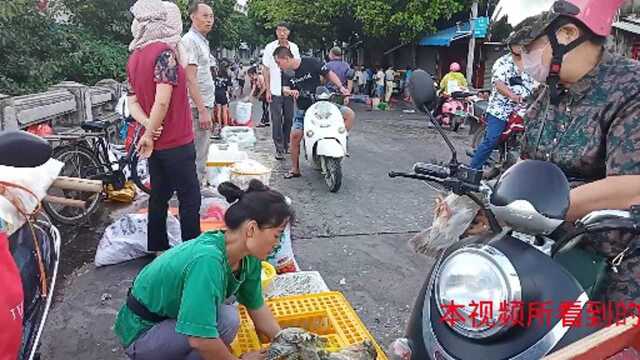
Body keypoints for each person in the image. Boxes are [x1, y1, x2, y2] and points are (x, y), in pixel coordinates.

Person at [510, 0, 640, 308]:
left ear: (567, 33)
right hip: (550, 250)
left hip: (617, 264)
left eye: (524, 52)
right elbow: (526, 163)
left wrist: (543, 206)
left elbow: (633, 185)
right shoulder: (549, 94)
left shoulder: (630, 88)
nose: (520, 65)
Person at [115, 180, 294, 360]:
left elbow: (257, 306)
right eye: (277, 235)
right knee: (220, 323)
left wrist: (287, 343)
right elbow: (200, 339)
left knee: (227, 318)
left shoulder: (248, 257)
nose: (278, 244)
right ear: (252, 229)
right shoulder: (207, 260)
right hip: (143, 333)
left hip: (171, 323)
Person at [126, 0, 201, 253]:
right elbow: (162, 99)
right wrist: (150, 131)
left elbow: (132, 102)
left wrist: (148, 128)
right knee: (190, 198)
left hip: (156, 145)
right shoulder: (165, 53)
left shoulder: (134, 57)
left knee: (159, 196)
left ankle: (157, 248)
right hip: (177, 142)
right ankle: (192, 253)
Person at [272, 47, 350, 179]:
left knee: (349, 115)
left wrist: (341, 87)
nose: (278, 66)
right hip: (303, 109)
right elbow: (285, 89)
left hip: (322, 105)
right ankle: (295, 169)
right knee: (295, 136)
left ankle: (341, 140)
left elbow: (329, 74)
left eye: (278, 62)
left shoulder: (311, 62)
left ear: (286, 58)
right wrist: (291, 92)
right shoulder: (287, 73)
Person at [469, 44, 535, 170]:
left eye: (523, 43)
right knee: (492, 139)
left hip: (526, 109)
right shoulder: (502, 62)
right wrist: (512, 95)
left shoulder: (531, 63)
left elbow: (540, 82)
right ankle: (472, 171)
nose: (520, 46)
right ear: (511, 45)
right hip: (500, 110)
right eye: (517, 43)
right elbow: (498, 84)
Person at [182, 1, 215, 185]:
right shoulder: (190, 41)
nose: (209, 20)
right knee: (197, 150)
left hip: (204, 104)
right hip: (196, 107)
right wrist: (202, 110)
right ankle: (195, 190)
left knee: (203, 148)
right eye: (205, 16)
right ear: (193, 17)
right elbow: (190, 78)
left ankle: (196, 186)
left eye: (211, 16)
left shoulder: (201, 41)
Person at [262, 22, 301, 160]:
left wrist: (297, 87)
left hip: (289, 90)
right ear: (276, 32)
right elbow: (265, 69)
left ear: (288, 32)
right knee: (276, 119)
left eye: (284, 30)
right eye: (279, 30)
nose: (282, 33)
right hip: (275, 89)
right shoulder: (270, 47)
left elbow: (297, 68)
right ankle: (279, 147)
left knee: (289, 118)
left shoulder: (294, 47)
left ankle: (286, 143)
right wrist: (267, 89)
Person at [324, 47, 356, 130]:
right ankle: (342, 133)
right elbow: (350, 80)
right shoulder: (346, 66)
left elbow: (322, 80)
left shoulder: (327, 66)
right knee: (342, 116)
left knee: (329, 116)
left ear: (332, 54)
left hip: (329, 94)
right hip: (342, 95)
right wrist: (347, 95)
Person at [214, 64, 232, 128]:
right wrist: (229, 96)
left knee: (218, 110)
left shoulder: (216, 78)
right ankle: (225, 125)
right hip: (223, 94)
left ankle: (219, 125)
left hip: (217, 94)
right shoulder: (227, 78)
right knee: (224, 110)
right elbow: (229, 89)